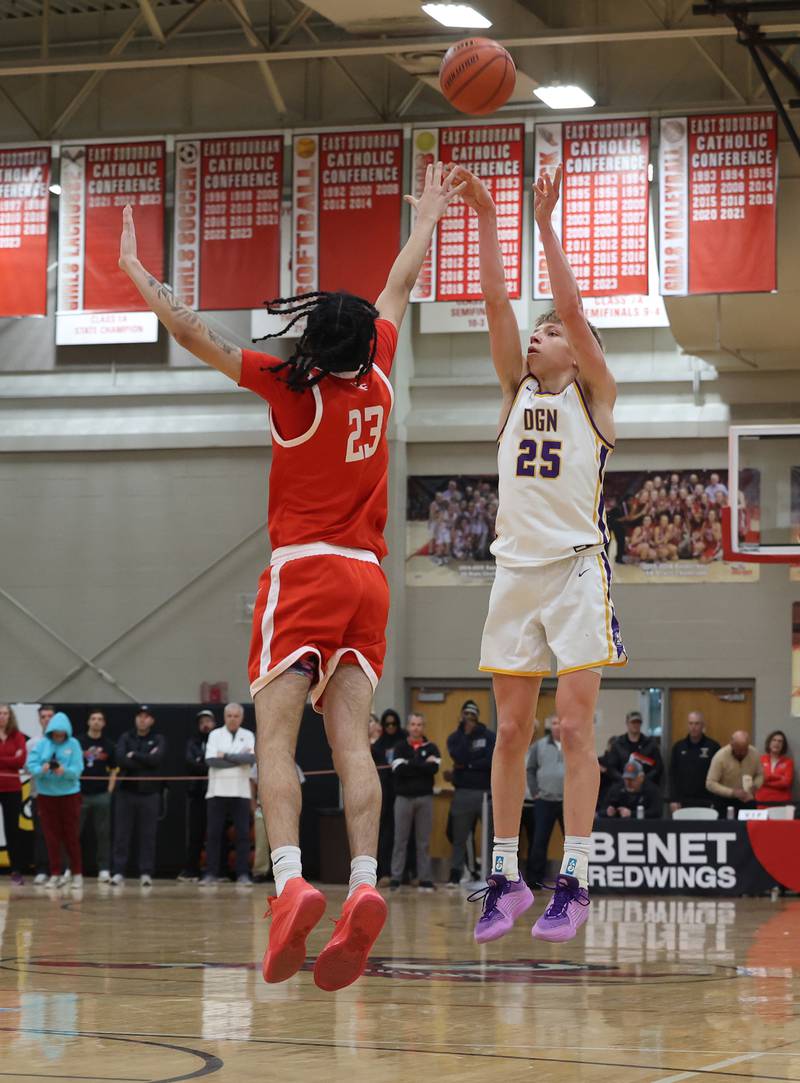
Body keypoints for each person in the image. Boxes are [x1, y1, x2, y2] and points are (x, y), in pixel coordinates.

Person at [119, 161, 464, 991]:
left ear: (315, 341)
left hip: (305, 572)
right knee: (352, 741)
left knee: (276, 739)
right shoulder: (380, 369)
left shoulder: (290, 390)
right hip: (369, 583)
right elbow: (399, 283)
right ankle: (368, 883)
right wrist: (428, 217)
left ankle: (289, 882)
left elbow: (198, 332)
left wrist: (137, 273)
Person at [453, 162, 626, 946]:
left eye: (549, 331)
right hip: (513, 572)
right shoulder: (511, 390)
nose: (537, 332)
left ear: (577, 349)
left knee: (573, 726)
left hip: (577, 568)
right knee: (511, 730)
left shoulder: (595, 395)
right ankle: (505, 876)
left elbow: (574, 309)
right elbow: (495, 300)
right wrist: (490, 218)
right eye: (536, 330)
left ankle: (577, 878)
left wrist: (545, 223)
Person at [26, 712, 84, 889]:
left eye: (62, 734)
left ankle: (76, 873)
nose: (59, 737)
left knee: (70, 836)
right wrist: (42, 769)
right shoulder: (42, 744)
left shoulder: (73, 744)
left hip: (69, 795)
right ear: (50, 732)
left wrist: (64, 771)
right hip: (46, 796)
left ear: (67, 732)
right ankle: (55, 873)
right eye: (55, 734)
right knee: (51, 837)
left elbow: (77, 769)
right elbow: (31, 765)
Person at [112, 706, 166, 887]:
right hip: (126, 792)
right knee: (122, 835)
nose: (142, 720)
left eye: (146, 717)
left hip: (149, 794)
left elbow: (156, 760)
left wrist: (134, 754)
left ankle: (146, 873)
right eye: (140, 716)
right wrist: (144, 759)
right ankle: (118, 872)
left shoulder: (158, 739)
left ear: (151, 720)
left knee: (148, 836)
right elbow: (120, 758)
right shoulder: (126, 737)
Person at [203, 702, 256, 885]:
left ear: (241, 717)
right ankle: (211, 873)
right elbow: (211, 761)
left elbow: (250, 758)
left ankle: (243, 873)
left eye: (236, 716)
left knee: (242, 835)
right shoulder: (215, 735)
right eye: (229, 716)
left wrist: (224, 755)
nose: (233, 719)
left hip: (241, 792)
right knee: (214, 834)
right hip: (217, 792)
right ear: (224, 717)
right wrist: (237, 760)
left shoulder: (248, 735)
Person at [389, 713, 440, 892]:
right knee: (400, 840)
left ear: (423, 727)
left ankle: (425, 878)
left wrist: (410, 765)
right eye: (413, 724)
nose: (416, 727)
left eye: (419, 724)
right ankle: (396, 878)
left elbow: (433, 769)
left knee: (423, 841)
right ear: (408, 727)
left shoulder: (432, 748)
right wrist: (421, 765)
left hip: (425, 799)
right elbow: (398, 770)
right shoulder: (400, 747)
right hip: (403, 798)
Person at [445, 700, 495, 887]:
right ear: (461, 716)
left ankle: (491, 875)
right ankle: (456, 874)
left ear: (478, 716)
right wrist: (466, 735)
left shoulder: (489, 736)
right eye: (466, 714)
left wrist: (468, 766)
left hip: (486, 793)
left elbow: (490, 761)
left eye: (472, 715)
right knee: (459, 836)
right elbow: (459, 756)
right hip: (463, 792)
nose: (469, 718)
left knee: (491, 836)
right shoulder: (455, 737)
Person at [525, 716, 565, 888]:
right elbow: (531, 769)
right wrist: (535, 792)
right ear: (550, 727)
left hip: (567, 802)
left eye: (560, 724)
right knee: (539, 841)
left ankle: (576, 880)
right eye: (554, 724)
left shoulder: (573, 744)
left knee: (573, 844)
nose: (557, 727)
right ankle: (534, 880)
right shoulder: (539, 746)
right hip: (544, 801)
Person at [177, 709, 216, 883]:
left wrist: (205, 761)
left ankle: (216, 871)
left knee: (216, 833)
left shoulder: (219, 739)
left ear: (214, 723)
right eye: (202, 722)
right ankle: (191, 870)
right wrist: (208, 763)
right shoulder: (193, 741)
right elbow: (190, 763)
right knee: (195, 834)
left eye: (208, 721)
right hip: (197, 793)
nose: (205, 725)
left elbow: (216, 763)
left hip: (216, 792)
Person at [77, 709, 116, 881]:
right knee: (74, 833)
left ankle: (104, 869)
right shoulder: (77, 742)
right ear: (88, 722)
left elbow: (114, 769)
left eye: (100, 719)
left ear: (104, 723)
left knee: (103, 834)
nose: (96, 722)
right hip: (80, 794)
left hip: (101, 795)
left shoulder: (109, 744)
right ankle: (71, 869)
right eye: (93, 718)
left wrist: (109, 790)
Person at [372, 709, 406, 882]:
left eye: (394, 723)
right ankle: (384, 872)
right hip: (384, 794)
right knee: (385, 833)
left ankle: (404, 874)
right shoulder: (378, 745)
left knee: (402, 835)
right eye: (387, 724)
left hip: (402, 792)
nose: (391, 727)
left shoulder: (404, 742)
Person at [668, 711, 720, 813]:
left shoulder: (713, 746)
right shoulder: (678, 747)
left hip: (707, 800)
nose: (693, 727)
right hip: (683, 801)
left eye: (697, 723)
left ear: (702, 725)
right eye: (691, 723)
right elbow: (672, 775)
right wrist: (673, 799)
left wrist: (716, 800)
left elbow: (719, 775)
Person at [0, 705, 28, 884]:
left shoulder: (17, 736)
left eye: (5, 713)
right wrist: (10, 759)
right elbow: (14, 759)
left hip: (12, 789)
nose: (2, 716)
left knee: (12, 830)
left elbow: (21, 761)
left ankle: (16, 871)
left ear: (10, 716)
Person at [28, 704, 55, 885]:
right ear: (39, 719)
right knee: (41, 833)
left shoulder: (66, 743)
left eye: (50, 716)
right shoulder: (32, 743)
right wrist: (40, 768)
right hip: (39, 795)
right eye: (43, 716)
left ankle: (58, 870)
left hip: (61, 795)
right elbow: (28, 768)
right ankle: (42, 869)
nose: (47, 719)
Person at [705, 731, 764, 816]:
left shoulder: (755, 753)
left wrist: (755, 786)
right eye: (739, 750)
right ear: (731, 745)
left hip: (747, 800)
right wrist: (732, 792)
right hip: (724, 801)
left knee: (750, 827)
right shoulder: (720, 756)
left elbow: (760, 774)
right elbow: (710, 783)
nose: (742, 753)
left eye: (745, 749)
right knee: (724, 828)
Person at [607, 711, 663, 784]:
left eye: (638, 722)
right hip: (622, 786)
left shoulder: (651, 744)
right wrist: (625, 780)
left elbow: (658, 767)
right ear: (627, 723)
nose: (635, 725)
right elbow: (611, 768)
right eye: (633, 722)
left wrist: (643, 780)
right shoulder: (618, 744)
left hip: (646, 786)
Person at [755, 730, 794, 806]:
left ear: (783, 745)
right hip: (762, 801)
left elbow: (786, 783)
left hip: (782, 802)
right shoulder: (760, 760)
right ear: (769, 743)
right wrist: (779, 777)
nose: (776, 743)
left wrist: (767, 779)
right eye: (774, 740)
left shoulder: (788, 762)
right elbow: (757, 781)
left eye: (780, 741)